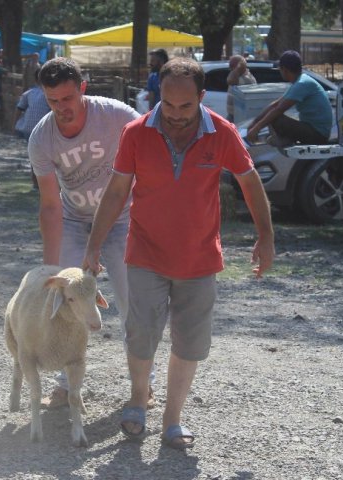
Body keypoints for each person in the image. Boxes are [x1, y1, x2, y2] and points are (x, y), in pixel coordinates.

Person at [82, 57, 274, 449]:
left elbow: (250, 183)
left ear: (202, 98)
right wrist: (94, 244)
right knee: (141, 331)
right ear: (158, 97)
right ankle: (138, 400)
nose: (175, 115)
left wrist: (266, 236)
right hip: (146, 252)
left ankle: (173, 419)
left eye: (185, 107)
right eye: (168, 105)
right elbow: (117, 192)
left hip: (199, 258)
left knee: (189, 341)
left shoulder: (222, 133)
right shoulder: (136, 133)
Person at [28, 57, 156, 410]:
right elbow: (50, 205)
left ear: (82, 89)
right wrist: (51, 268)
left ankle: (144, 382)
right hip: (74, 220)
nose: (61, 108)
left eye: (67, 99)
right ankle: (66, 380)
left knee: (134, 300)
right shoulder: (42, 138)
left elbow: (152, 154)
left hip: (123, 218)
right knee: (65, 303)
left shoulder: (116, 115)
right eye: (53, 101)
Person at [246, 50, 332, 147]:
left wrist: (256, 129)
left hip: (318, 134)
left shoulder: (302, 84)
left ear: (285, 70)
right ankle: (284, 139)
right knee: (272, 113)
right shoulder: (300, 81)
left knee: (275, 117)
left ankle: (283, 140)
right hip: (313, 129)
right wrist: (254, 123)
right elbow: (276, 104)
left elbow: (279, 109)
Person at [14, 68, 51, 189]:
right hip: (44, 129)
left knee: (34, 157)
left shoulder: (29, 93)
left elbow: (19, 109)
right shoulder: (50, 94)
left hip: (28, 130)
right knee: (47, 157)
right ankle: (43, 183)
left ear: (35, 79)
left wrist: (15, 125)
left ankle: (36, 183)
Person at [226, 54, 256, 122]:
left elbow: (230, 81)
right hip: (233, 115)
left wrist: (238, 68)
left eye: (232, 66)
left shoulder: (245, 79)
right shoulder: (238, 75)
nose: (230, 68)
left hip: (239, 116)